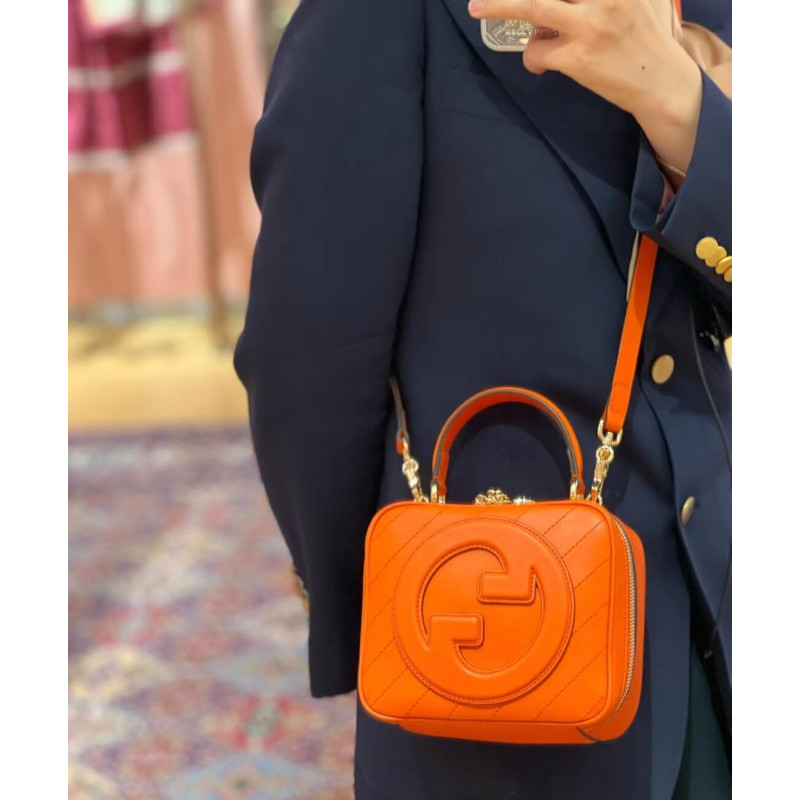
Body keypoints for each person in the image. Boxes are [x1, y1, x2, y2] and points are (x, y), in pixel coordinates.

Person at [234, 1, 731, 797]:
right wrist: (375, 610)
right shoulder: (378, 19)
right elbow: (308, 364)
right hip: (492, 666)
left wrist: (681, 104)